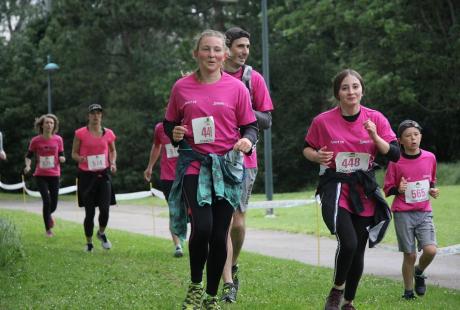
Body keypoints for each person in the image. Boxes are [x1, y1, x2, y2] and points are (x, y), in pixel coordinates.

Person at [163, 29, 258, 310]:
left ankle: (212, 295)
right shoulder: (181, 87)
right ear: (196, 53)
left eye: (217, 50)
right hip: (195, 162)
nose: (212, 55)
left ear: (225, 54)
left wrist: (247, 140)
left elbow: (251, 126)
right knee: (202, 228)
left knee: (219, 234)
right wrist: (175, 133)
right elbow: (168, 124)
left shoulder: (237, 88)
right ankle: (195, 285)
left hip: (227, 167)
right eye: (206, 49)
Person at [303, 69, 400, 310]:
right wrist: (317, 156)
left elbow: (395, 153)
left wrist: (375, 137)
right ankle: (337, 290)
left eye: (355, 86)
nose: (351, 92)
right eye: (345, 87)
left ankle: (349, 302)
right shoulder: (322, 121)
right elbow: (306, 149)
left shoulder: (375, 118)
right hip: (336, 187)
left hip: (364, 189)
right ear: (337, 93)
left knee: (358, 250)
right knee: (348, 243)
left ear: (362, 90)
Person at [220, 26, 274, 303]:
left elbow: (266, 120)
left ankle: (233, 262)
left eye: (247, 47)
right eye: (239, 46)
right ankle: (227, 280)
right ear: (226, 46)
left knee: (238, 223)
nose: (244, 52)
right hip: (214, 157)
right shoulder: (211, 74)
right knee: (224, 220)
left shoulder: (253, 79)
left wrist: (238, 104)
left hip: (244, 158)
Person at [383, 120, 439, 300]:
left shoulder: (430, 157)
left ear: (421, 136)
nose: (413, 138)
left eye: (416, 134)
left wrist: (433, 190)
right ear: (400, 140)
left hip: (424, 211)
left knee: (430, 250)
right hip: (403, 213)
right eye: (408, 136)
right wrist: (398, 189)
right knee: (410, 254)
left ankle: (419, 272)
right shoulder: (396, 161)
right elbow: (387, 189)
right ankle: (408, 292)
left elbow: (431, 181)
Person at [71, 104, 117, 252]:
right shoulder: (80, 133)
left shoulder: (108, 133)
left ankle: (101, 233)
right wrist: (81, 158)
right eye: (93, 113)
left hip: (103, 175)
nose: (96, 116)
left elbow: (112, 151)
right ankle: (89, 243)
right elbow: (73, 153)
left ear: (101, 116)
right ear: (88, 116)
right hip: (87, 177)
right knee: (89, 213)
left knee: (105, 210)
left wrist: (113, 162)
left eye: (98, 113)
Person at [144, 121, 183, 257]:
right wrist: (150, 167)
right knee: (174, 211)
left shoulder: (188, 123)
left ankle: (196, 241)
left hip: (188, 174)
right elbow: (156, 146)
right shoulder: (160, 128)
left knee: (191, 211)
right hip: (168, 177)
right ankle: (178, 245)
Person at [24, 114, 65, 237]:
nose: (49, 125)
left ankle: (48, 215)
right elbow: (28, 156)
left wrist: (62, 158)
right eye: (47, 123)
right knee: (46, 201)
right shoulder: (35, 140)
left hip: (54, 174)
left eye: (51, 123)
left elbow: (61, 154)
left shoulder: (58, 139)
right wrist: (28, 166)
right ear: (42, 125)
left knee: (54, 204)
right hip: (40, 174)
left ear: (54, 126)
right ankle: (48, 229)